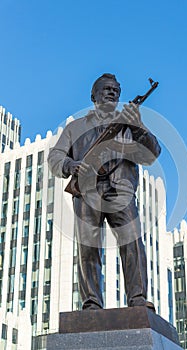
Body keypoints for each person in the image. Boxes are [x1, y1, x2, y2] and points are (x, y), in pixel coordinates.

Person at [48, 73, 161, 311]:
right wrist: (70, 165)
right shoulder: (75, 128)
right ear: (93, 95)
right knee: (88, 247)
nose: (112, 92)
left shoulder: (129, 124)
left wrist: (137, 126)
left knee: (132, 243)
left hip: (121, 191)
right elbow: (56, 156)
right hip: (87, 192)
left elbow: (152, 155)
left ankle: (138, 298)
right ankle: (91, 302)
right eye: (106, 89)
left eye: (116, 90)